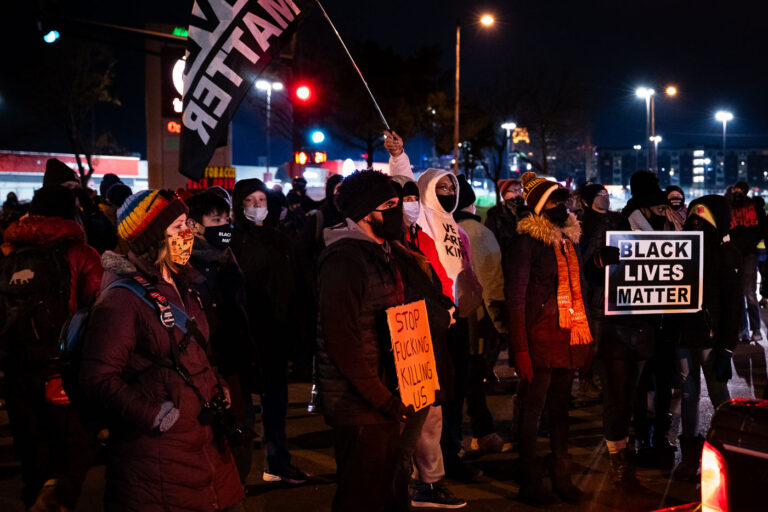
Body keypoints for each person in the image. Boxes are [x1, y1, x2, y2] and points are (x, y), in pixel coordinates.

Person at [79, 189, 244, 511]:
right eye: (179, 226)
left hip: (206, 447)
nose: (189, 233)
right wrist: (155, 416)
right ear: (154, 238)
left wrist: (218, 386)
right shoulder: (121, 299)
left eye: (189, 224)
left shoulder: (185, 285)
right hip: (156, 459)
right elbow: (97, 377)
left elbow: (198, 355)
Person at [386, 131, 482, 483]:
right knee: (431, 401)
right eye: (439, 189)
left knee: (453, 394)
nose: (447, 194)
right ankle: (423, 472)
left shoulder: (454, 227)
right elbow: (405, 183)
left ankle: (450, 454)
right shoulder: (422, 218)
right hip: (432, 319)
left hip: (458, 319)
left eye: (451, 189)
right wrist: (399, 155)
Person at [0, 186, 103, 512]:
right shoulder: (81, 253)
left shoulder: (8, 252)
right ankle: (56, 494)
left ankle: (38, 496)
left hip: (15, 371)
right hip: (61, 370)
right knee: (76, 448)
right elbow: (98, 308)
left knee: (33, 459)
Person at [316, 169, 413, 511]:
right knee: (359, 495)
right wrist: (380, 397)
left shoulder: (384, 251)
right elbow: (341, 340)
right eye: (389, 204)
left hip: (381, 395)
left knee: (381, 491)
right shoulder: (345, 260)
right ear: (366, 213)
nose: (397, 210)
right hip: (358, 402)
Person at [505, 172, 593, 507]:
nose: (562, 207)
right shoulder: (527, 243)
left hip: (568, 338)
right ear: (541, 207)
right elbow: (515, 298)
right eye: (554, 202)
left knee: (560, 411)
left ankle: (561, 476)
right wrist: (521, 349)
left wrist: (585, 341)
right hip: (539, 340)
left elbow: (580, 291)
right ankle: (529, 481)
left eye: (563, 201)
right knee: (532, 413)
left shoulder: (570, 241)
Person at [230, 179, 308, 485]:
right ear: (238, 205)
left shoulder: (279, 240)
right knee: (243, 411)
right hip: (243, 335)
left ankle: (277, 463)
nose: (256, 206)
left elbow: (294, 286)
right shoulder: (231, 242)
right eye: (249, 201)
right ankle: (237, 475)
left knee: (276, 407)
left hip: (275, 334)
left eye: (261, 200)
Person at [578, 183, 652, 489]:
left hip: (635, 315)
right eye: (599, 194)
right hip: (606, 315)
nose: (605, 198)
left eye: (607, 194)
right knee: (616, 393)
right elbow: (585, 271)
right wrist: (598, 263)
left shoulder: (622, 221)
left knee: (632, 392)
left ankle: (627, 447)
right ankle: (618, 457)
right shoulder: (581, 227)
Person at [185, 191, 257, 483]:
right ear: (194, 226)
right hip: (205, 372)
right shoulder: (185, 266)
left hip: (235, 365)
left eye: (227, 219)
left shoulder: (228, 259)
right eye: (216, 220)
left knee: (240, 443)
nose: (225, 226)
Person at [674, 195, 741, 482]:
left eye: (702, 221)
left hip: (711, 340)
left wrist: (726, 347)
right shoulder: (678, 251)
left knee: (718, 396)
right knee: (688, 397)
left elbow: (733, 306)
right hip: (683, 338)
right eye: (692, 220)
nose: (696, 225)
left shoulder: (726, 255)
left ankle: (729, 457)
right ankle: (690, 461)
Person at [622, 170, 678, 464]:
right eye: (657, 202)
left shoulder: (666, 221)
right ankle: (642, 437)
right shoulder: (626, 222)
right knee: (641, 382)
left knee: (664, 378)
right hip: (640, 317)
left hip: (666, 316)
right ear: (644, 203)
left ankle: (660, 437)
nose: (663, 206)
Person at [453, 175, 506, 453]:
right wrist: (500, 324)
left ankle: (471, 435)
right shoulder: (479, 233)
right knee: (473, 378)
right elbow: (493, 283)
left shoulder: (448, 230)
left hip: (453, 317)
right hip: (477, 320)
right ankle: (482, 433)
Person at [44, 158, 118, 254]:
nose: (74, 192)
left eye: (77, 188)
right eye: (68, 187)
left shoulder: (80, 214)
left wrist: (92, 210)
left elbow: (109, 241)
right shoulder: (43, 220)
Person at [728, 180, 765, 342]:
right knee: (738, 295)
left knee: (749, 293)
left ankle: (756, 329)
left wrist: (749, 243)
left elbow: (760, 229)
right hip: (736, 254)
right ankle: (743, 330)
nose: (738, 193)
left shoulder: (753, 207)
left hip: (749, 254)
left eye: (740, 190)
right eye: (736, 190)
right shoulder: (729, 206)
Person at [485, 179, 526, 246]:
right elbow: (489, 242)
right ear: (504, 195)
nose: (518, 193)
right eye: (514, 190)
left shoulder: (528, 212)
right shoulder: (495, 215)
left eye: (519, 190)